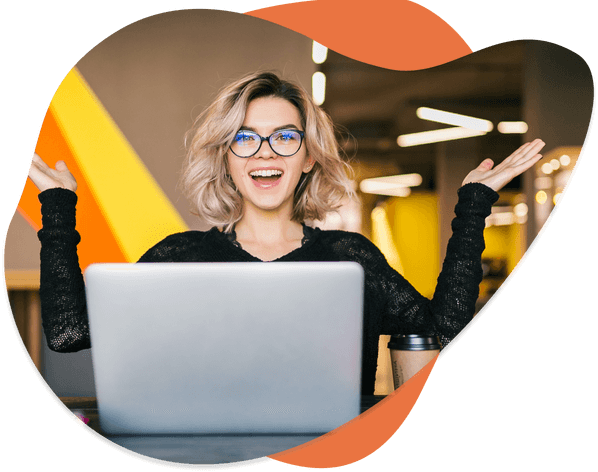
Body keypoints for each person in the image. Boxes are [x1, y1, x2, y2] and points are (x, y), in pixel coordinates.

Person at [27, 71, 545, 395]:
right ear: (226, 160)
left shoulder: (350, 259)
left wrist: (473, 203)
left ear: (308, 157)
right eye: (246, 139)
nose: (265, 152)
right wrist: (57, 209)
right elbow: (70, 335)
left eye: (284, 137)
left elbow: (443, 324)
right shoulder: (178, 258)